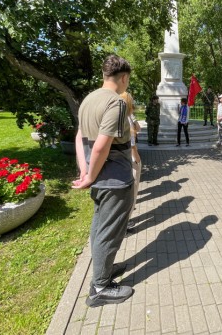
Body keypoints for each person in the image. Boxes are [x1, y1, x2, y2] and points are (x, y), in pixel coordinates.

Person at [72, 54, 134, 307]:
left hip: (98, 176)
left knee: (99, 227)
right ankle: (100, 287)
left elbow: (80, 138)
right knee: (109, 232)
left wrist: (85, 171)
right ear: (124, 78)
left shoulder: (89, 99)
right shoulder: (115, 103)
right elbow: (101, 147)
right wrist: (90, 176)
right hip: (114, 179)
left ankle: (103, 269)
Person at [120, 92, 141, 232]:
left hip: (123, 158)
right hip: (131, 158)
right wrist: (137, 158)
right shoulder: (125, 117)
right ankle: (125, 224)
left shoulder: (126, 116)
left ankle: (124, 221)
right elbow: (131, 142)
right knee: (131, 192)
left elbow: (137, 128)